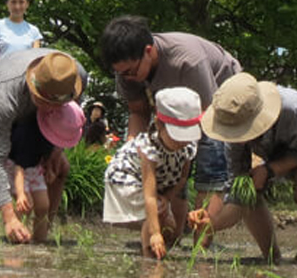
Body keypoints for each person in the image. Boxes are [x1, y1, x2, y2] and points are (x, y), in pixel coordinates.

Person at [189, 72, 297, 264]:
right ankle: (272, 259)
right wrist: (212, 223)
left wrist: (270, 170)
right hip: (289, 144)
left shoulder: (291, 108)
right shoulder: (233, 125)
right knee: (248, 184)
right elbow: (237, 193)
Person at [99, 16, 241, 218]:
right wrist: (133, 151)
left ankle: (204, 230)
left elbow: (207, 116)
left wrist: (181, 150)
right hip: (178, 110)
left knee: (210, 159)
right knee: (164, 159)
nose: (127, 78)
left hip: (218, 100)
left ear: (148, 51)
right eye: (120, 73)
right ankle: (173, 230)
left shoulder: (187, 60)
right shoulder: (126, 71)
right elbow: (138, 112)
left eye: (130, 72)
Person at [0, 48, 87, 243]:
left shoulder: (75, 76)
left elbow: (70, 118)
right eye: (44, 101)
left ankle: (41, 237)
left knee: (60, 166)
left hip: (33, 102)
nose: (50, 108)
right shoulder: (7, 95)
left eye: (55, 105)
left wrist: (56, 150)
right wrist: (9, 216)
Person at [103, 87, 202, 259]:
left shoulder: (188, 146)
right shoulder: (149, 147)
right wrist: (155, 233)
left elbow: (182, 178)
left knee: (170, 228)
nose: (182, 141)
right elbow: (150, 196)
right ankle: (149, 258)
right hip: (126, 178)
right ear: (158, 124)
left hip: (158, 186)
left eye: (186, 135)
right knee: (157, 213)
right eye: (177, 135)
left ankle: (156, 249)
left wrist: (167, 198)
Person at [4, 101, 85, 242]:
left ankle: (40, 239)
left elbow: (45, 157)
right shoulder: (26, 134)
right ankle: (16, 235)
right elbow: (19, 168)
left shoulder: (50, 136)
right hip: (17, 168)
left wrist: (50, 170)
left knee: (43, 206)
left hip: (35, 168)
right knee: (25, 205)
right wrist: (21, 194)